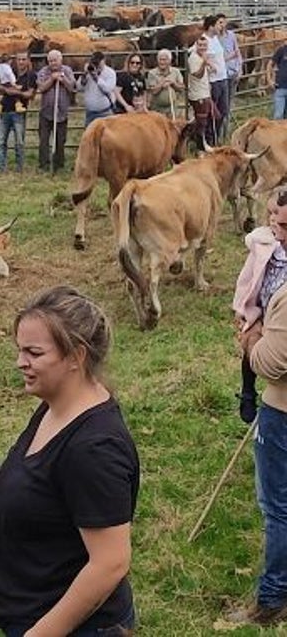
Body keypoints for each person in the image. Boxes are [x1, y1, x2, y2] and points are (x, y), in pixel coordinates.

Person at [0, 286, 139, 637]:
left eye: (34, 352)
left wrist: (41, 633)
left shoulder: (95, 448)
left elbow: (110, 562)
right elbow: (45, 488)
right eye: (20, 350)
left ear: (76, 356)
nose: (21, 362)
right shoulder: (55, 407)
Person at [231, 209, 287, 624]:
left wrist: (250, 340)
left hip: (282, 412)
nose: (276, 231)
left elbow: (273, 362)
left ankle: (272, 600)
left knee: (278, 506)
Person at [233, 188, 287, 425]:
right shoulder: (266, 243)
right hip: (264, 309)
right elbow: (248, 278)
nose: (275, 222)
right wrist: (244, 310)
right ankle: (247, 392)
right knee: (251, 349)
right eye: (273, 214)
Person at [36, 50, 76, 172]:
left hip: (61, 113)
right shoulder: (43, 72)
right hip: (46, 113)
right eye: (50, 61)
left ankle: (59, 164)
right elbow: (41, 88)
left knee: (60, 140)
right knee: (43, 140)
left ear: (60, 60)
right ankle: (44, 164)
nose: (53, 63)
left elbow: (72, 87)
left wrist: (63, 80)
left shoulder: (67, 71)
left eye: (55, 60)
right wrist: (52, 79)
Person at [0, 53, 37, 173]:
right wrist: (7, 90)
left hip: (19, 112)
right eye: (19, 59)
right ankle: (1, 167)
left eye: (23, 59)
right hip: (5, 109)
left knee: (19, 141)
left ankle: (19, 167)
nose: (21, 62)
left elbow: (30, 94)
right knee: (1, 141)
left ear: (28, 60)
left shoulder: (31, 75)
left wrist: (15, 93)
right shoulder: (8, 70)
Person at [187, 35, 220, 147]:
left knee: (215, 117)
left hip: (205, 93)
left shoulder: (202, 57)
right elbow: (197, 75)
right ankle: (200, 146)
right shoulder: (193, 58)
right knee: (202, 122)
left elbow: (206, 72)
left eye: (204, 45)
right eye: (200, 45)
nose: (202, 47)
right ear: (196, 45)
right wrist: (204, 63)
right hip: (198, 95)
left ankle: (208, 143)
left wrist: (209, 65)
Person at [80, 52, 118, 127]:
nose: (96, 65)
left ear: (104, 61)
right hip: (90, 113)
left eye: (98, 62)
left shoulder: (110, 73)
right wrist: (84, 75)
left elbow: (108, 89)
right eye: (94, 62)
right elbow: (79, 88)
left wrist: (96, 78)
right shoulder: (89, 71)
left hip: (105, 112)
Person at [146, 49, 185, 119]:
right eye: (160, 60)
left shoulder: (176, 72)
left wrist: (173, 83)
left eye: (164, 60)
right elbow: (153, 91)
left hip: (172, 108)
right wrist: (162, 83)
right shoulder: (152, 73)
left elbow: (182, 88)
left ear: (169, 61)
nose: (162, 62)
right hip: (157, 109)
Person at [271, 41, 287, 121]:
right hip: (281, 87)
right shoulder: (282, 50)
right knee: (278, 115)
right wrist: (270, 80)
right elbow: (270, 64)